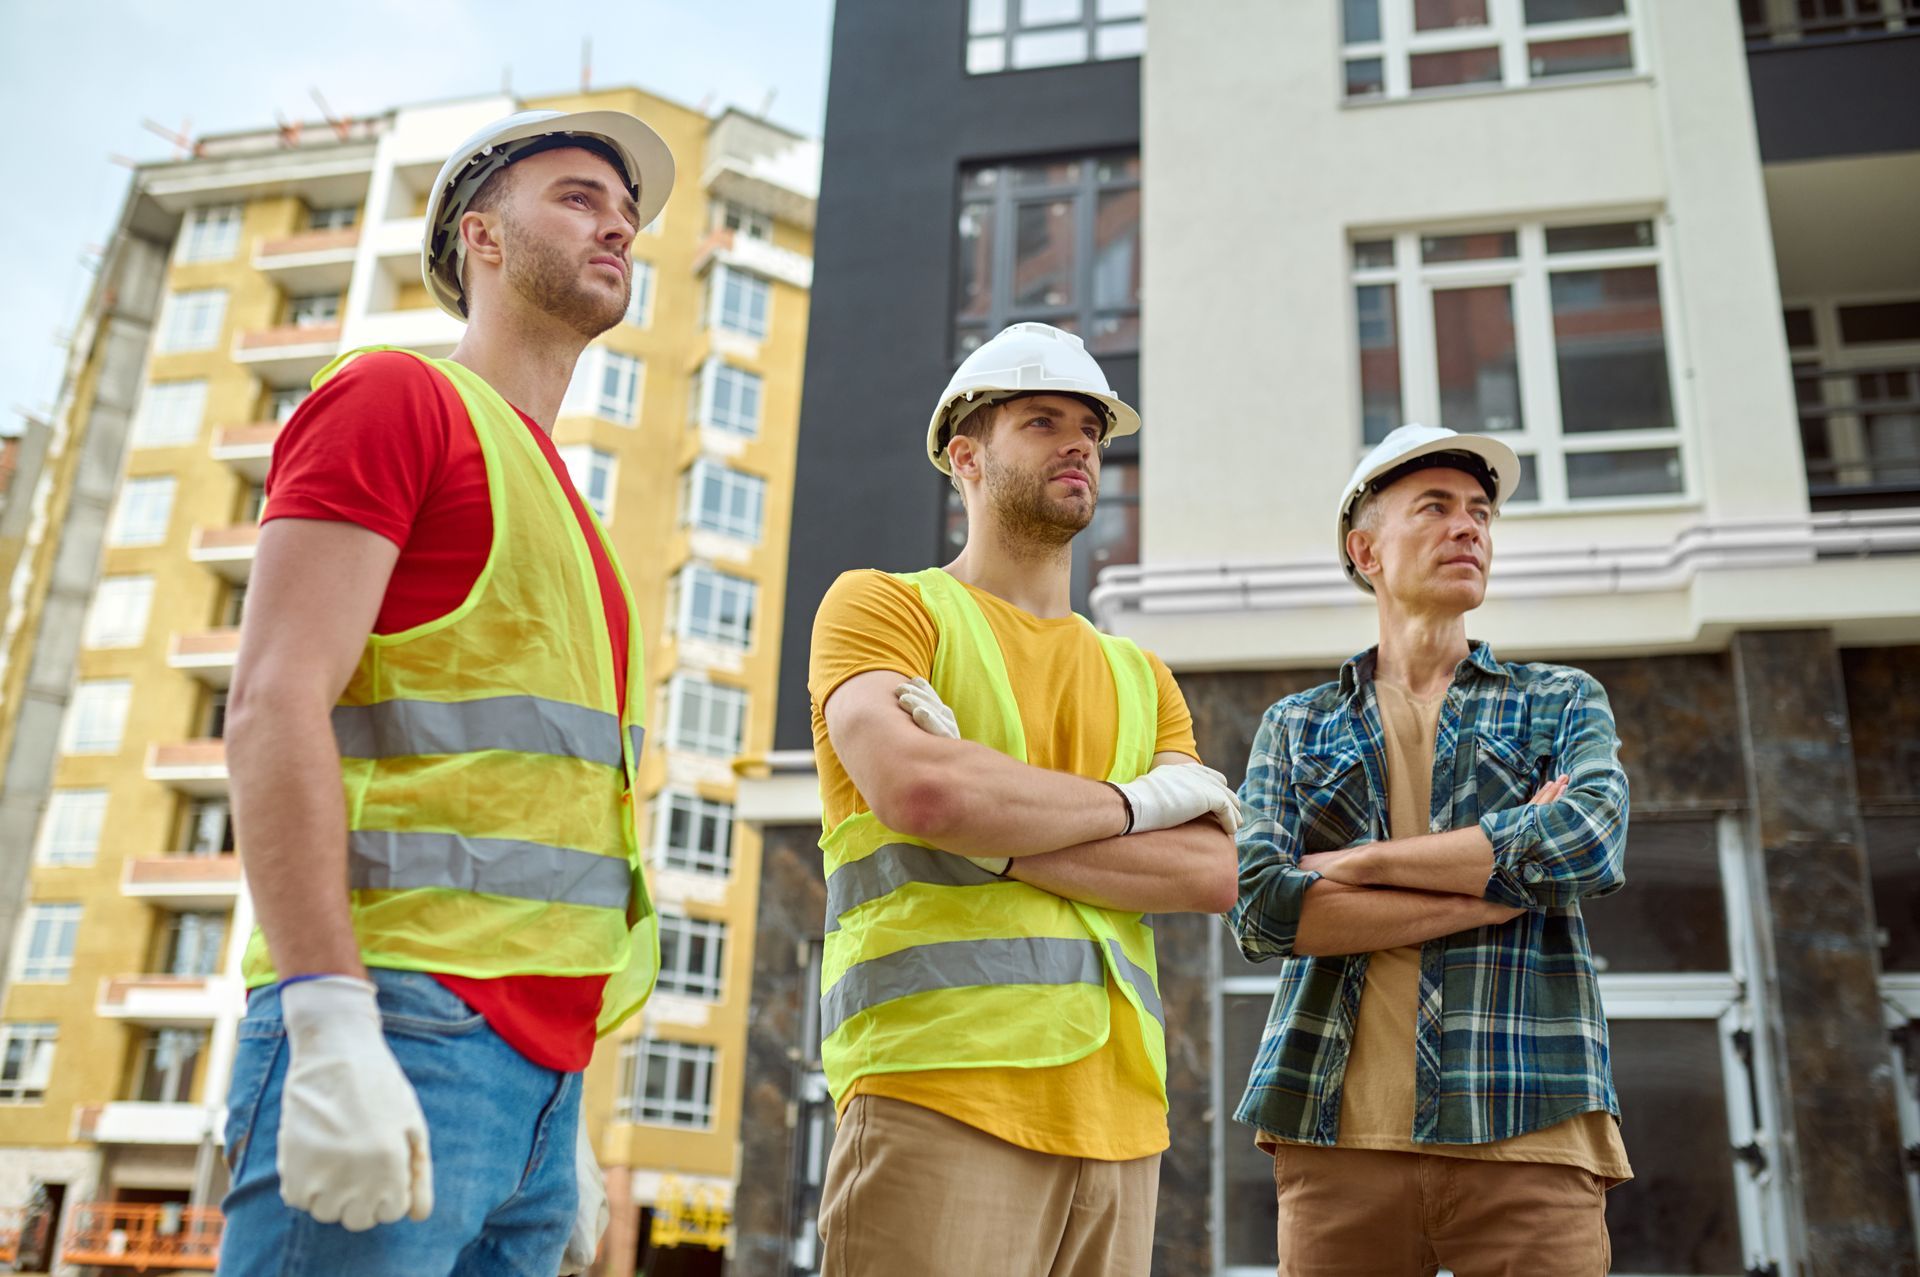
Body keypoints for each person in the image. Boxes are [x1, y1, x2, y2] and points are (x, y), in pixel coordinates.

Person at [217, 107, 675, 1276]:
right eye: (579, 196)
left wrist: (560, 1108)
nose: (617, 224)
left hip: (535, 1075)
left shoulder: (577, 518)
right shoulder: (393, 399)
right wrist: (327, 1017)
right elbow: (274, 699)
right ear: (479, 235)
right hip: (399, 1017)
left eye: (626, 213)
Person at [808, 321, 1242, 1276]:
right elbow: (920, 787)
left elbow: (1210, 869)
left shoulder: (1142, 674)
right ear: (965, 457)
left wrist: (994, 821)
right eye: (1041, 421)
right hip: (937, 1088)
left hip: (1121, 1123)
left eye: (1090, 426)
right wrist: (1141, 801)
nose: (1078, 443)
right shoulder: (886, 608)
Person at [1230, 423, 1633, 1276]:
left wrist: (1360, 863)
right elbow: (1262, 907)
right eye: (1437, 507)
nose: (1470, 528)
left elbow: (1587, 841)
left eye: (1481, 512)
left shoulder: (1559, 700)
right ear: (1366, 548)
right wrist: (1504, 880)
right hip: (1335, 1135)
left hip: (1534, 1125)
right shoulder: (1298, 726)